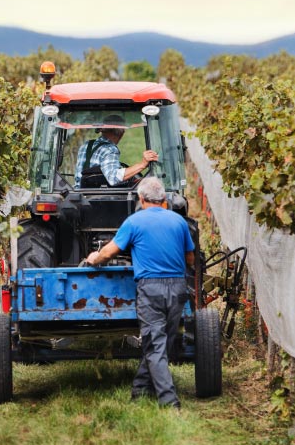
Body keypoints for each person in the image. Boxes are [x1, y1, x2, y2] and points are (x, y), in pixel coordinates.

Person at [85, 177, 195, 409]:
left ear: (141, 199)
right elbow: (190, 258)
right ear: (164, 199)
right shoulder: (179, 222)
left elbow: (108, 253)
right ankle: (140, 391)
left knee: (155, 344)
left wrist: (95, 258)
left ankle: (169, 401)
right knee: (162, 342)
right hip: (177, 287)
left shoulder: (134, 222)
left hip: (151, 288)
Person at [74, 114, 158, 188]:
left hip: (78, 195)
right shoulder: (110, 149)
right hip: (98, 200)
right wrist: (142, 164)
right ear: (121, 132)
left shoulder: (86, 145)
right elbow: (113, 178)